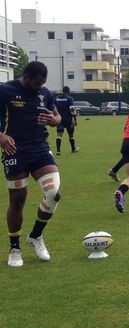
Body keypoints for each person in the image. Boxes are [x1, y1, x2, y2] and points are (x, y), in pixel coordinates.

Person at [0, 61, 62, 267]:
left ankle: (35, 236)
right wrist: (1, 137)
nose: (40, 88)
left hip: (40, 149)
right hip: (15, 151)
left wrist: (54, 120)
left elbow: (57, 116)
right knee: (17, 201)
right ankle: (15, 248)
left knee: (54, 193)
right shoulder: (5, 90)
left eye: (43, 84)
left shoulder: (45, 93)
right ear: (25, 77)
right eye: (37, 83)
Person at [54, 86, 79, 155]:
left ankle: (58, 151)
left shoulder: (56, 98)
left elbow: (53, 108)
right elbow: (72, 109)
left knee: (59, 134)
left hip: (59, 118)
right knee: (71, 134)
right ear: (68, 91)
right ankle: (73, 148)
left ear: (63, 91)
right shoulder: (69, 98)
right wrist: (74, 119)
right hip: (68, 119)